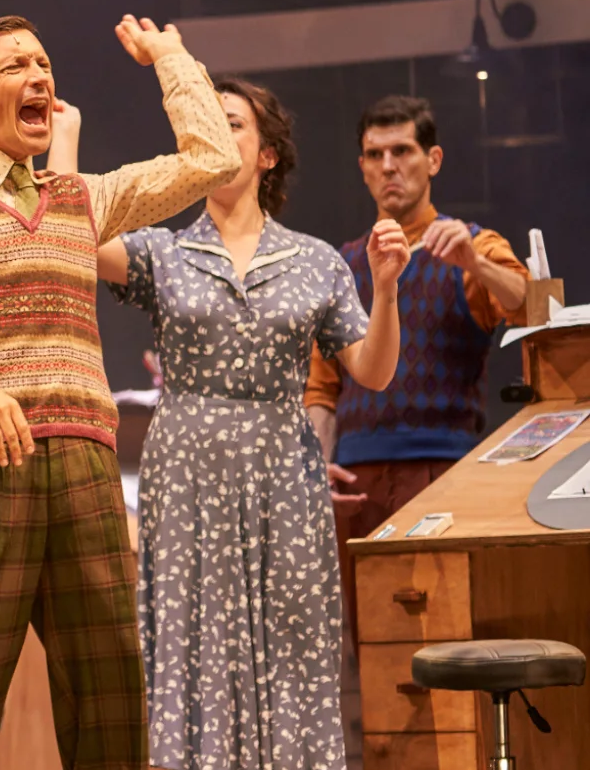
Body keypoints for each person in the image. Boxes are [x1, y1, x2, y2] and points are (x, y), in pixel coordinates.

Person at [0, 13, 239, 770]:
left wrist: (170, 57)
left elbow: (212, 158)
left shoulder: (81, 196)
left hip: (86, 469)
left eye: (43, 64)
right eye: (14, 67)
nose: (38, 76)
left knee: (111, 707)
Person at [88, 77, 405, 770]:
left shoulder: (315, 260)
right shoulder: (164, 252)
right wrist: (64, 136)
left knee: (292, 640)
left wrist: (385, 289)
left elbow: (373, 370)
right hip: (188, 471)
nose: (215, 131)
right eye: (204, 122)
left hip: (282, 472)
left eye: (231, 122)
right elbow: (67, 231)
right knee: (193, 639)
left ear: (267, 154)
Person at [303, 94, 529, 641]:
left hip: (444, 473)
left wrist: (474, 262)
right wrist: (315, 466)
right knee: (372, 642)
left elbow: (530, 306)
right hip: (356, 482)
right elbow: (322, 389)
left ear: (433, 160)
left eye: (402, 151)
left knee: (449, 635)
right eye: (374, 154)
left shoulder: (472, 245)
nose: (388, 166)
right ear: (361, 166)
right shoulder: (343, 265)